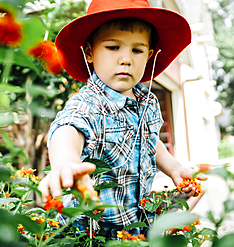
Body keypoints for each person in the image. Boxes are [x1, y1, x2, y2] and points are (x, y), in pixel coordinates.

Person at [38, 0, 207, 238]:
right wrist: (66, 161)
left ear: (149, 56)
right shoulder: (90, 103)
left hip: (132, 226)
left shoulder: (147, 102)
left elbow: (149, 140)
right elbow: (68, 128)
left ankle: (161, 230)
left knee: (194, 194)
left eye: (137, 50)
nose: (126, 59)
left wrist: (174, 167)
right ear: (89, 52)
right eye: (113, 47)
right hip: (89, 231)